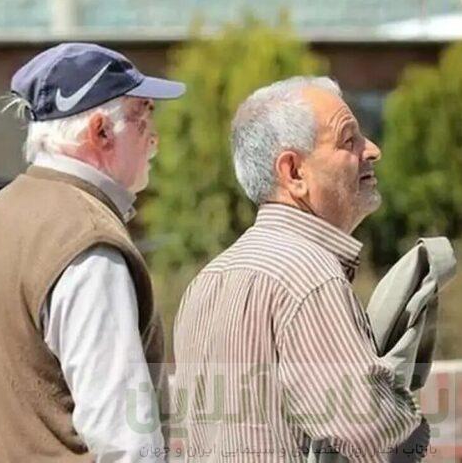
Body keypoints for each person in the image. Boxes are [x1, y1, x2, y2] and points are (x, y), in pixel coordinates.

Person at [172, 77, 429, 461]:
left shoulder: (207, 280)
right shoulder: (311, 276)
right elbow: (372, 432)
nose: (372, 151)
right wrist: (409, 420)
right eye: (349, 141)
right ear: (293, 172)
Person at [0, 42, 185, 461]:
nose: (154, 138)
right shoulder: (88, 240)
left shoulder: (4, 208)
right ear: (100, 131)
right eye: (142, 117)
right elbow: (123, 441)